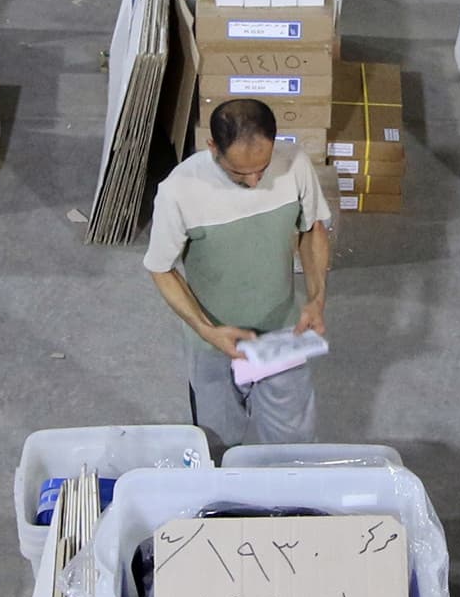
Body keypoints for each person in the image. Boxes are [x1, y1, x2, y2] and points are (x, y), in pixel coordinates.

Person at [142, 99, 333, 449]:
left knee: (295, 446)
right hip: (213, 342)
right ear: (212, 146)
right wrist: (207, 330)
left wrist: (316, 298)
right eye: (239, 173)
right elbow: (160, 268)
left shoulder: (295, 165)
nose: (255, 180)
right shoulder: (179, 191)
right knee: (216, 445)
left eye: (262, 167)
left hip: (282, 334)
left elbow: (312, 229)